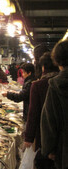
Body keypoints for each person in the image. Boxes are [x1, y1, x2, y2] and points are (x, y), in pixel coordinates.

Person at [24, 52, 58, 169]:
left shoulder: (38, 85)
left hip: (44, 135)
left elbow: (33, 113)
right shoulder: (60, 82)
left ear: (43, 67)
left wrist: (29, 137)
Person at [41, 40, 68, 169]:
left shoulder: (56, 84)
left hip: (64, 147)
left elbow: (49, 119)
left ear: (57, 61)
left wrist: (49, 149)